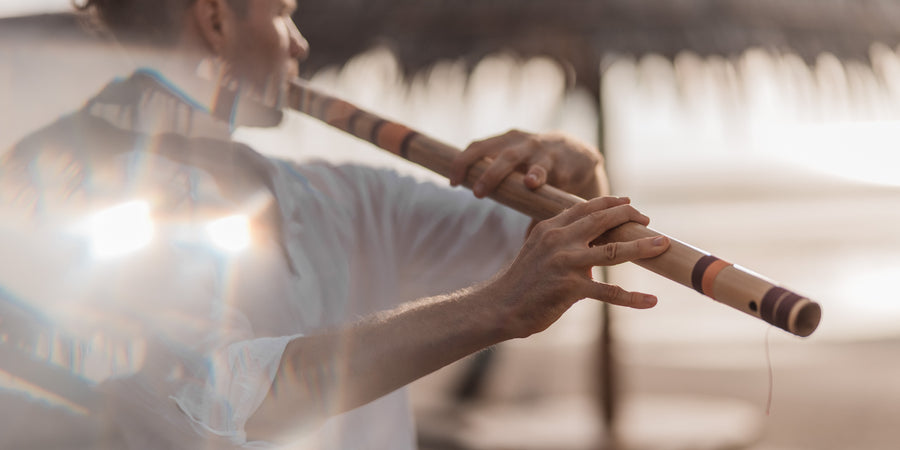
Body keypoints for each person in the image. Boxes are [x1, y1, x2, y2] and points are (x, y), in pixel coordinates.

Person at [0, 0, 670, 448]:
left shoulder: (331, 195)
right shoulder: (55, 192)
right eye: (282, 11)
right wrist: (496, 308)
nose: (300, 42)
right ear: (215, 20)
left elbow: (552, 247)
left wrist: (576, 170)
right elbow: (233, 394)